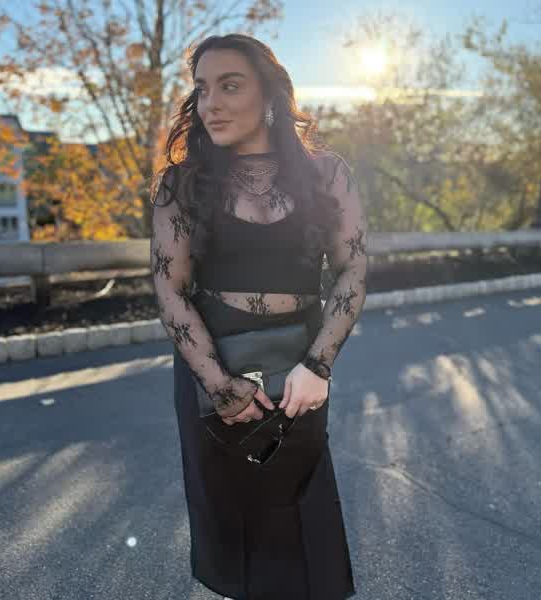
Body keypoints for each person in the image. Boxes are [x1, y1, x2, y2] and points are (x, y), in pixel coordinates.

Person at [150, 32, 367, 600]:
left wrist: (318, 366)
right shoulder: (181, 184)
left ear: (268, 94)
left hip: (299, 364)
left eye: (230, 86)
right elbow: (170, 290)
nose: (211, 104)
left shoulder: (328, 174)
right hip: (212, 364)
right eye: (202, 90)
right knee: (232, 519)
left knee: (301, 514)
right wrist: (220, 386)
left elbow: (352, 270)